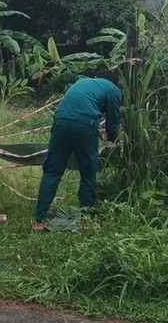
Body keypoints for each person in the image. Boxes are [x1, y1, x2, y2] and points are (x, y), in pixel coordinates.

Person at [33, 70, 122, 231]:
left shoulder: (82, 82)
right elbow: (113, 122)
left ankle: (39, 221)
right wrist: (114, 141)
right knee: (88, 172)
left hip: (60, 121)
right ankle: (85, 220)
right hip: (85, 124)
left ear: (97, 77)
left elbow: (73, 107)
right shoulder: (113, 89)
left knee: (52, 171)